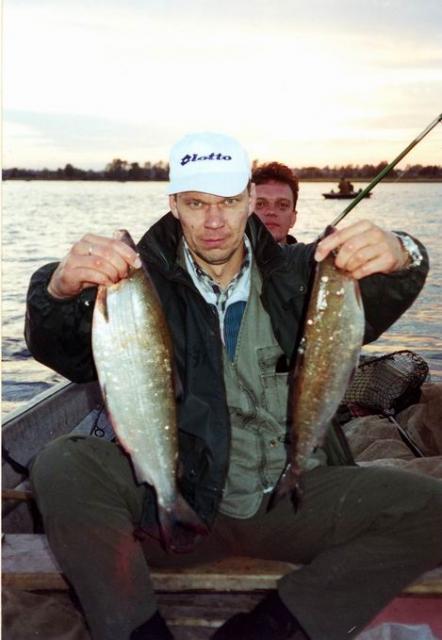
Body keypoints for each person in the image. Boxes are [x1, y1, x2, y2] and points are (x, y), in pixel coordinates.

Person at [25, 131, 442, 640]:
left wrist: (404, 252)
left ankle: (275, 626)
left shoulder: (305, 274)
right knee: (62, 462)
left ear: (249, 199)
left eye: (227, 201)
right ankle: (137, 630)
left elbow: (389, 289)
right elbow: (64, 351)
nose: (214, 221)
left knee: (434, 510)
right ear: (174, 205)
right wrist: (55, 290)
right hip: (180, 500)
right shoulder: (136, 283)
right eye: (196, 203)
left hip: (292, 499)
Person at [252, 161, 298, 244]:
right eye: (260, 204)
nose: (271, 212)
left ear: (293, 219)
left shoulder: (312, 252)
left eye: (282, 205)